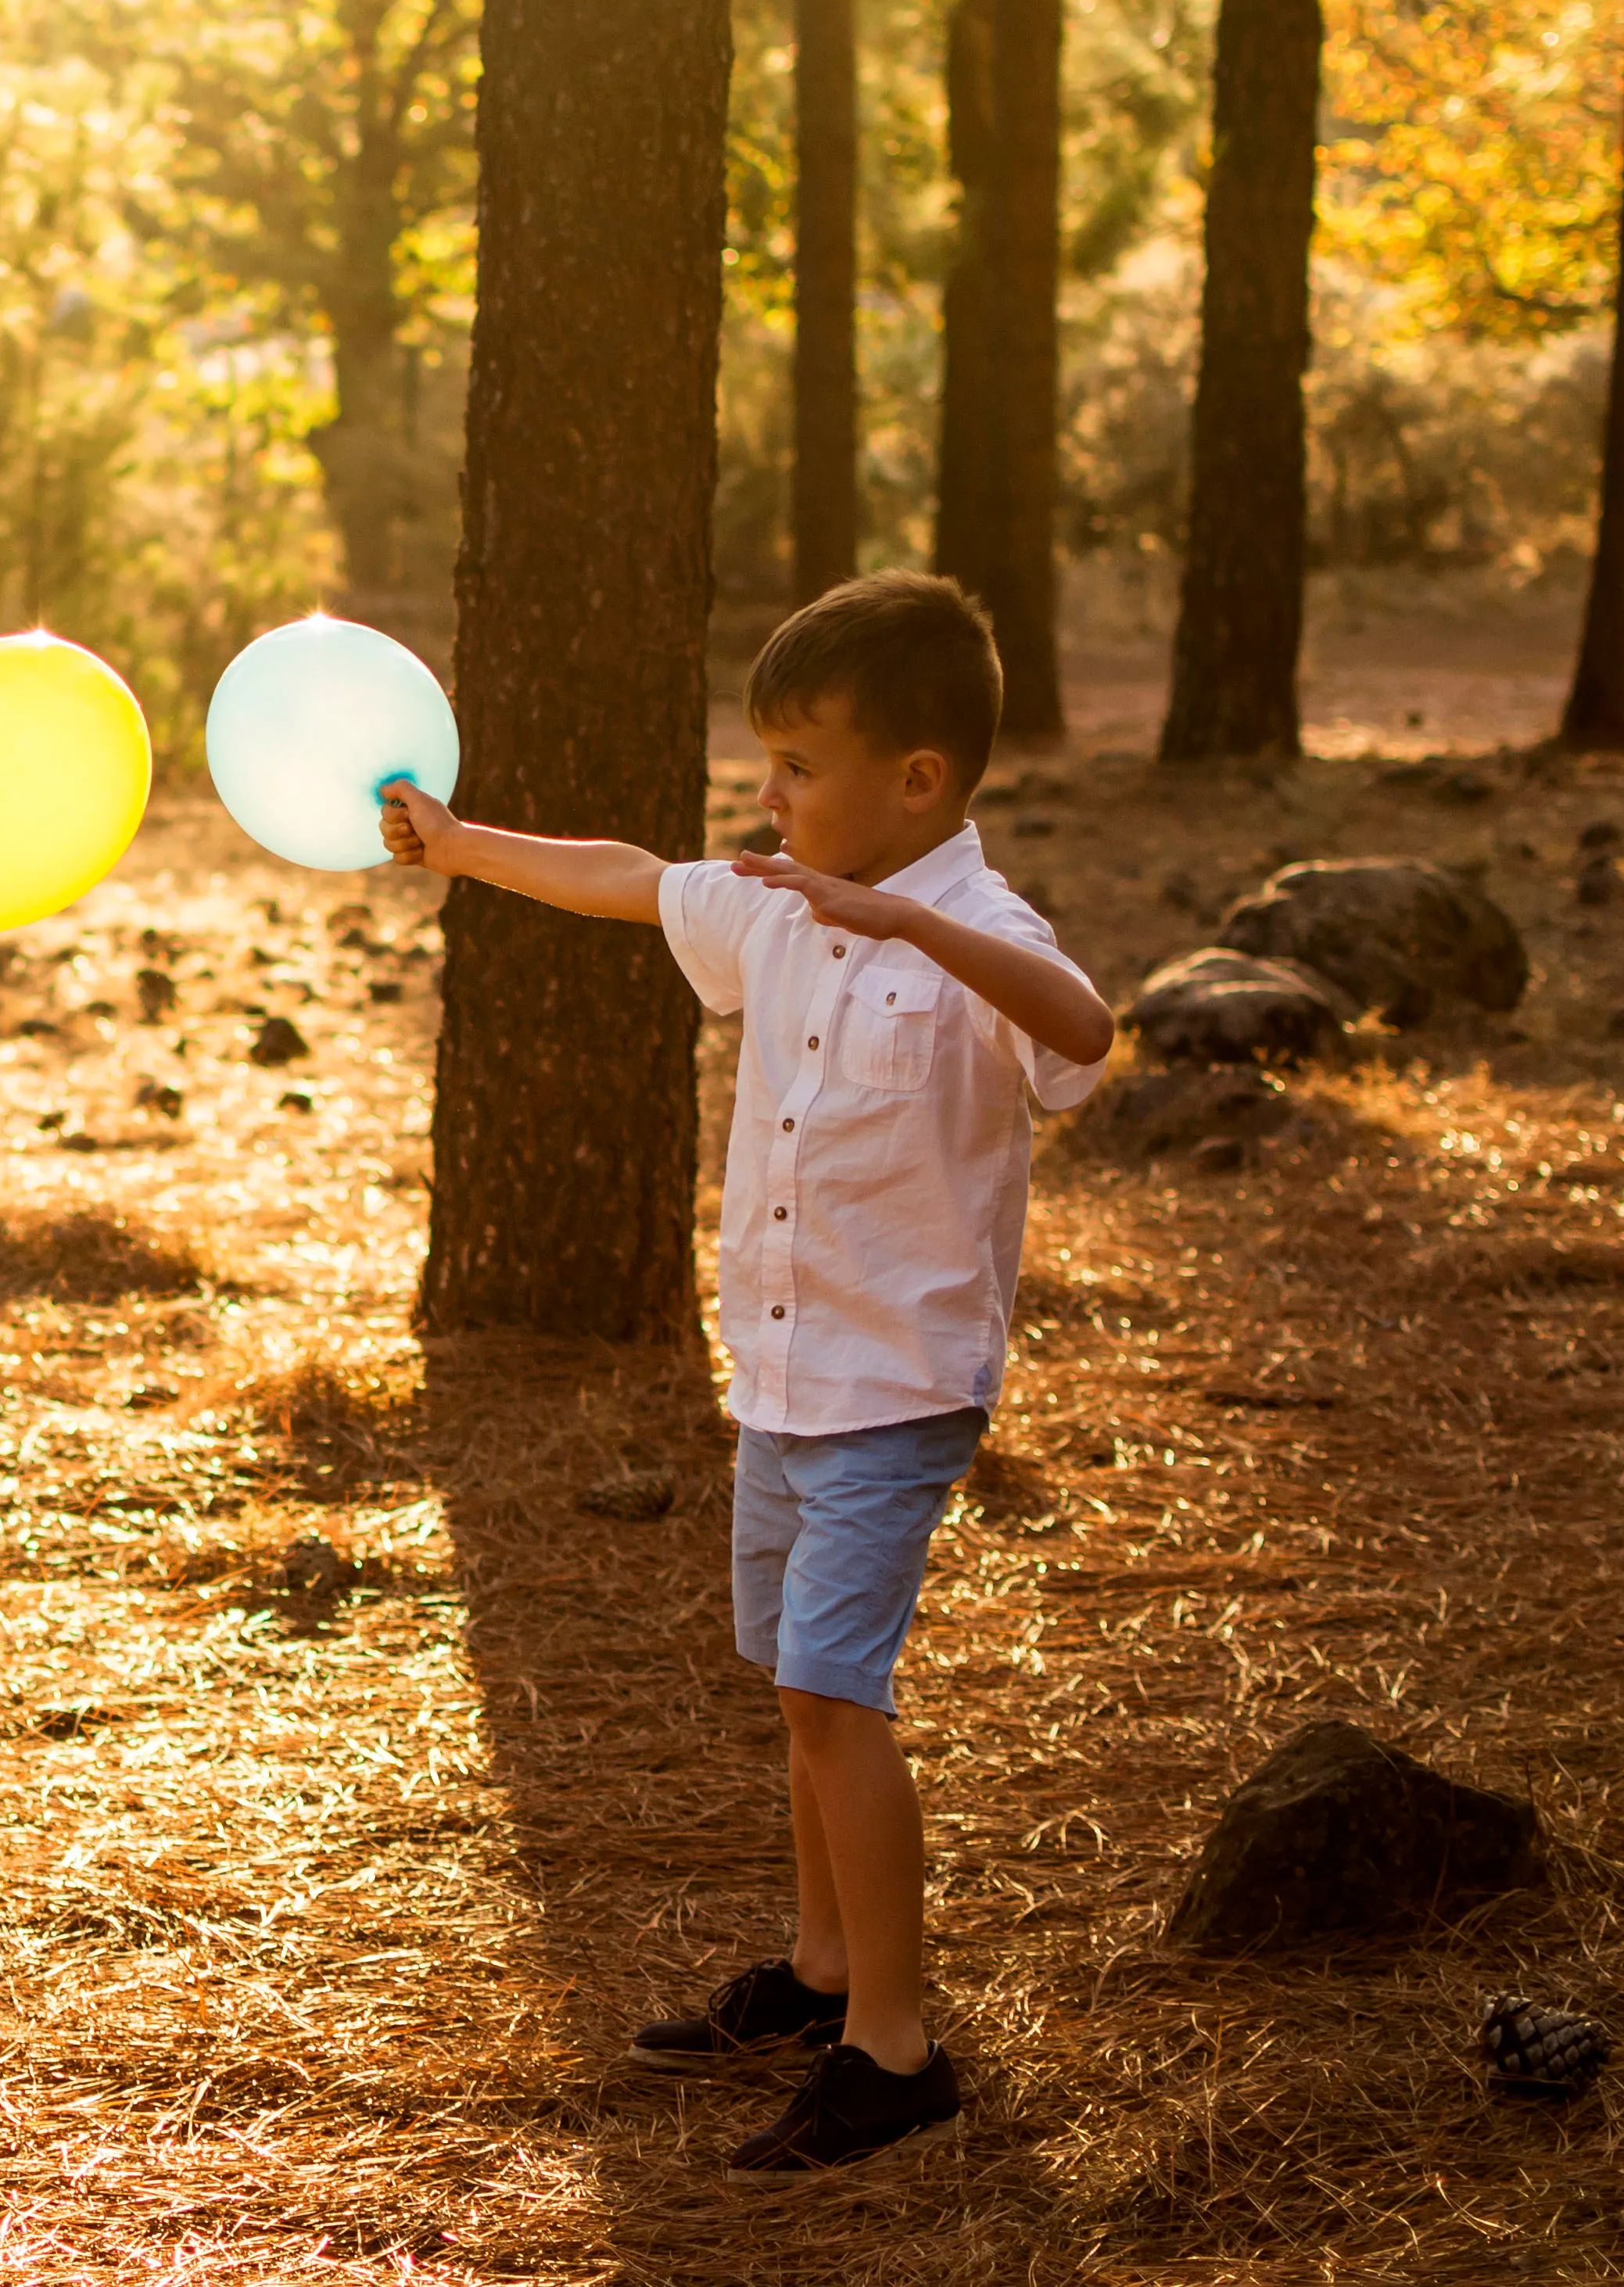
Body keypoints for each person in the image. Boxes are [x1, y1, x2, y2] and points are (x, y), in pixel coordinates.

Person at [380, 569, 1111, 2173]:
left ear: (913, 781)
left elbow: (1083, 1033)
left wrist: (910, 920)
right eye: (763, 756)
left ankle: (894, 2051)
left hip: (896, 1382)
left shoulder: (978, 933)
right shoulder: (776, 900)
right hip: (778, 1375)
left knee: (828, 1692)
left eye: (795, 761)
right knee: (792, 1683)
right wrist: (456, 838)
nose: (762, 792)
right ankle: (821, 1962)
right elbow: (629, 880)